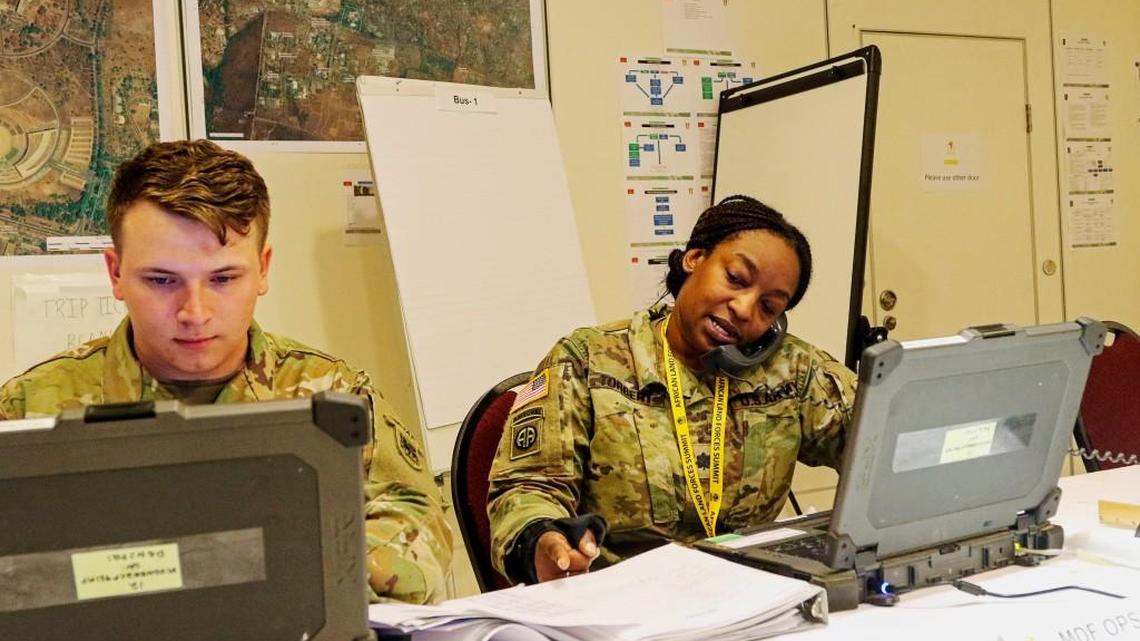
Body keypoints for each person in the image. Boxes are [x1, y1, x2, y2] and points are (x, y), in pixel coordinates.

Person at [0, 140, 452, 604]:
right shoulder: (28, 409)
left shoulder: (331, 396)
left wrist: (266, 572)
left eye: (223, 279)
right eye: (161, 280)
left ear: (263, 269)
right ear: (115, 274)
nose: (194, 312)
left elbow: (420, 529)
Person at [487, 195, 857, 585]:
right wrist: (542, 541)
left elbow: (879, 440)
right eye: (735, 279)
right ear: (694, 258)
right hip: (624, 597)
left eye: (768, 307)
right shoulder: (588, 360)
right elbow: (527, 489)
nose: (745, 309)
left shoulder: (792, 370)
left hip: (751, 593)